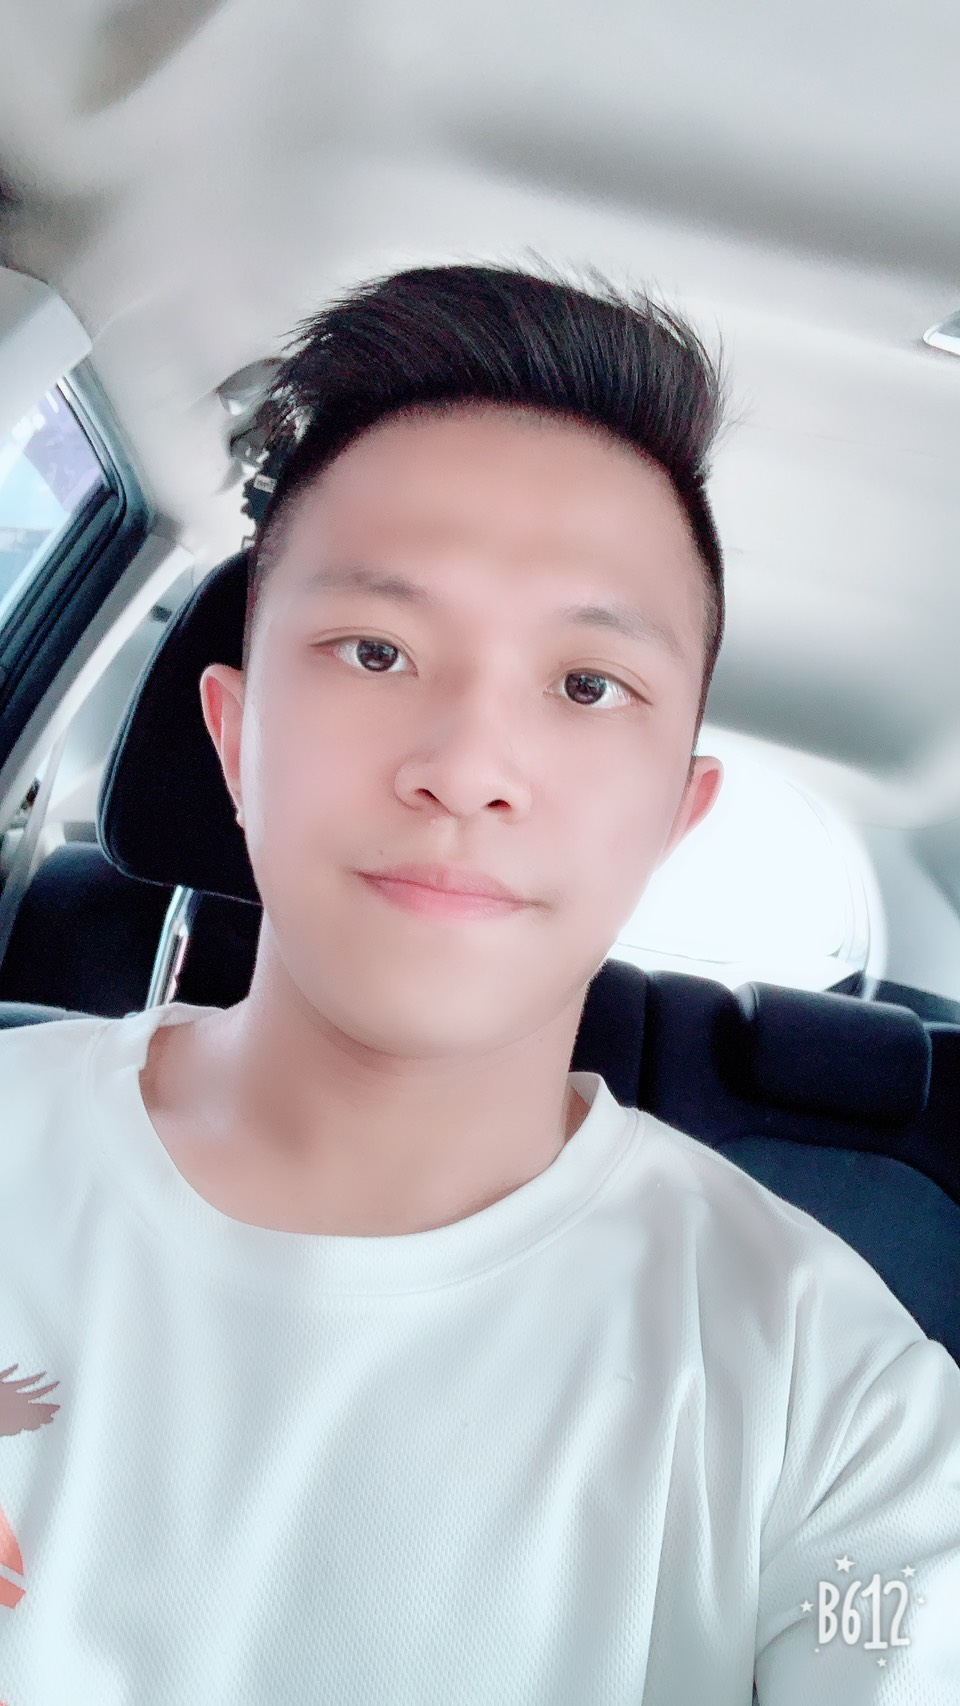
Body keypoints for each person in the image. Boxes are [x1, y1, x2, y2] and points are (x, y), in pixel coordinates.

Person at [0, 262, 957, 1705]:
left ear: (674, 818)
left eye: (586, 685)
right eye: (376, 649)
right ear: (235, 741)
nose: (465, 769)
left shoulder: (841, 1407)